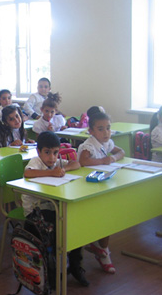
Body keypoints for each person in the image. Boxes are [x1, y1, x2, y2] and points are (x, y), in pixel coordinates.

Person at [22, 131, 88, 286]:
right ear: (39, 152)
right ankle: (51, 270)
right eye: (47, 152)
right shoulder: (36, 162)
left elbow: (77, 163)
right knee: (58, 228)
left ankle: (75, 265)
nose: (51, 157)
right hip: (35, 211)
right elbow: (27, 173)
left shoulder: (57, 162)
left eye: (55, 153)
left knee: (76, 223)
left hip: (53, 208)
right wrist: (51, 172)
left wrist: (64, 169)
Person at [78, 109, 125, 274]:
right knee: (103, 216)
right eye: (100, 129)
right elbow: (83, 161)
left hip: (101, 184)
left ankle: (100, 247)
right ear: (91, 131)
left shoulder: (108, 143)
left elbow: (121, 152)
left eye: (108, 127)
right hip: (85, 187)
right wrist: (102, 161)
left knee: (109, 215)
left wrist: (112, 159)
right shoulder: (89, 145)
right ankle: (102, 251)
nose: (106, 132)